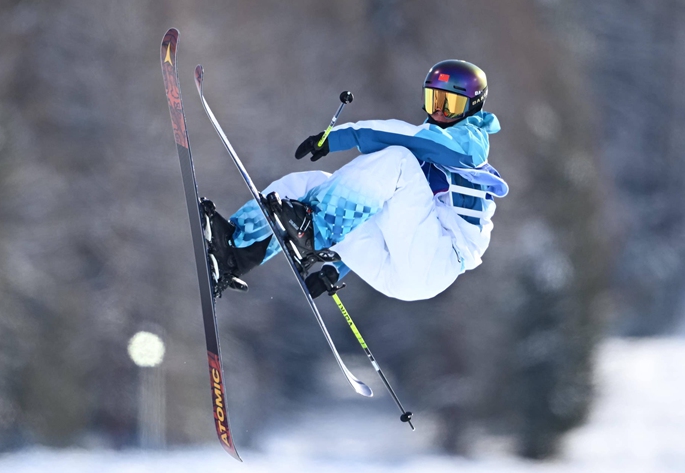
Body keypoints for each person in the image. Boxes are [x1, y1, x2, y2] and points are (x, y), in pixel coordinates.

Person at [206, 59, 508, 302]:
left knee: (397, 159)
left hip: (434, 264)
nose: (440, 112)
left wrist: (338, 137)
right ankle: (233, 252)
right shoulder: (426, 146)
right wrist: (335, 270)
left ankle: (314, 231)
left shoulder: (469, 146)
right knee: (308, 185)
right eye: (434, 101)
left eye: (450, 105)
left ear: (473, 107)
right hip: (397, 268)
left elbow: (407, 141)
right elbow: (386, 215)